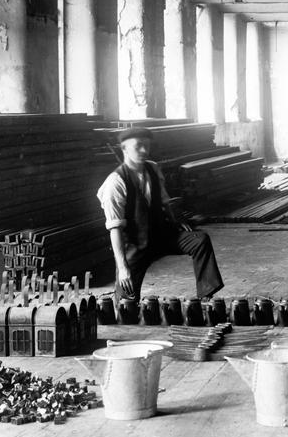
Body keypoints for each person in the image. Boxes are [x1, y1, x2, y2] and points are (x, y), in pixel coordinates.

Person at [96, 127, 224, 305]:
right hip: (136, 245)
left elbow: (165, 201)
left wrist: (177, 220)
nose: (144, 151)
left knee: (200, 240)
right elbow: (115, 229)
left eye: (147, 146)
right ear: (124, 149)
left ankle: (206, 296)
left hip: (161, 235)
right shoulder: (115, 183)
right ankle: (125, 300)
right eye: (138, 146)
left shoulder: (153, 169)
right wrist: (123, 267)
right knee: (126, 304)